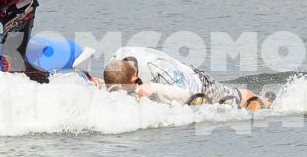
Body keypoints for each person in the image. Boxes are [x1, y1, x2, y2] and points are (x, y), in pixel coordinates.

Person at [102, 46, 267, 110]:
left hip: (198, 84)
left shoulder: (159, 69)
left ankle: (269, 103)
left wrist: (154, 88)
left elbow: (186, 94)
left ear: (133, 79)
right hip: (151, 82)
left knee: (237, 98)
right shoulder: (114, 64)